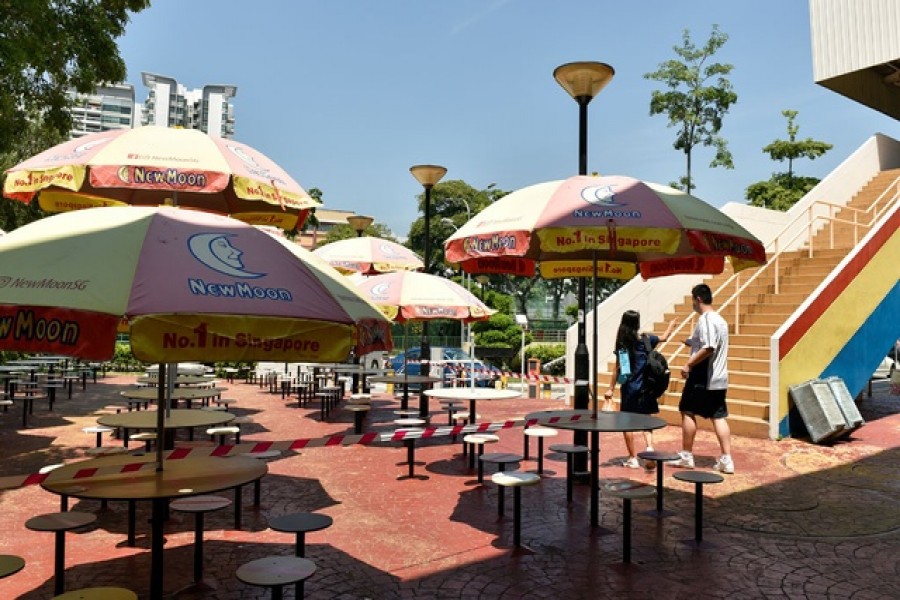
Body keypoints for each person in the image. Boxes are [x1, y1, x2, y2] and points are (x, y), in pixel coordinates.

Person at [672, 283, 734, 474]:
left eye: (693, 299)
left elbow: (708, 347)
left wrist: (688, 364)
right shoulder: (721, 320)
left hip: (703, 375)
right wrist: (691, 342)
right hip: (719, 376)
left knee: (687, 410)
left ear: (698, 299)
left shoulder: (706, 319)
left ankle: (686, 455)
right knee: (718, 416)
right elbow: (709, 343)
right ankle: (726, 459)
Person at [604, 310, 675, 469]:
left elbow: (619, 368)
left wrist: (611, 389)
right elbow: (664, 338)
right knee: (646, 421)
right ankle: (649, 449)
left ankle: (632, 458)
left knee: (626, 423)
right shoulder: (646, 339)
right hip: (646, 388)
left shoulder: (623, 344)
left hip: (630, 388)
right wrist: (671, 325)